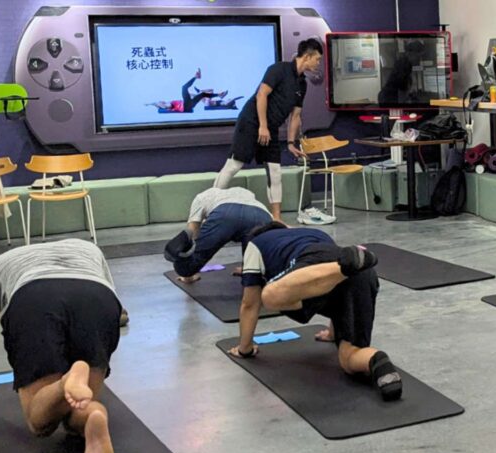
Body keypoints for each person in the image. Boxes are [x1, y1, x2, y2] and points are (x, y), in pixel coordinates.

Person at [0, 239, 123, 453]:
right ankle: (94, 414)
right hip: (96, 297)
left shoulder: (0, 263)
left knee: (40, 424)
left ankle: (66, 381)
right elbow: (117, 308)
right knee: (81, 402)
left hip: (34, 298)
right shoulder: (88, 248)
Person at [230, 222, 403, 401]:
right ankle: (378, 363)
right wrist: (332, 333)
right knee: (348, 357)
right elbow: (335, 286)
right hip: (361, 273)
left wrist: (245, 349)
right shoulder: (314, 233)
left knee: (268, 296)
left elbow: (249, 304)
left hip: (315, 263)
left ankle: (344, 267)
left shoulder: (255, 243)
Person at [214, 38, 325, 223]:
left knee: (274, 171)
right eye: (318, 59)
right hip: (251, 121)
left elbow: (295, 116)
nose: (318, 63)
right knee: (234, 165)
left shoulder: (302, 84)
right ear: (307, 56)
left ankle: (277, 219)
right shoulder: (278, 69)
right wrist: (262, 126)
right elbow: (261, 94)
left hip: (271, 128)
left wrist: (290, 143)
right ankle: (209, 209)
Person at [164, 186, 273, 283]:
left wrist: (187, 274)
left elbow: (191, 233)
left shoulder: (202, 197)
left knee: (186, 267)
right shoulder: (245, 192)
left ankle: (186, 272)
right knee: (257, 262)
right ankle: (251, 270)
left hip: (225, 214)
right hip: (261, 214)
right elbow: (245, 215)